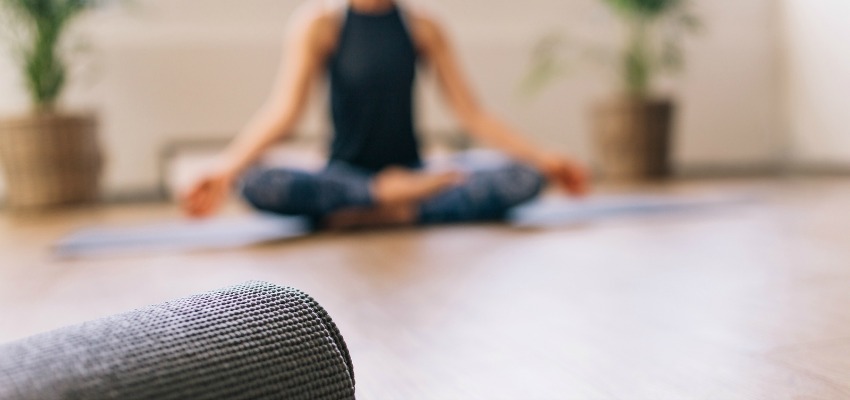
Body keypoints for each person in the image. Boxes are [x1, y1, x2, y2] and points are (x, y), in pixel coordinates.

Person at [182, 0, 589, 229]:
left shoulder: (423, 27)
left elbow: (472, 113)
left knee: (523, 177)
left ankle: (371, 208)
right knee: (256, 181)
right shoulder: (321, 25)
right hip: (344, 176)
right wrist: (225, 167)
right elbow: (284, 112)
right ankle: (381, 198)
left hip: (415, 175)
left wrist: (544, 157)